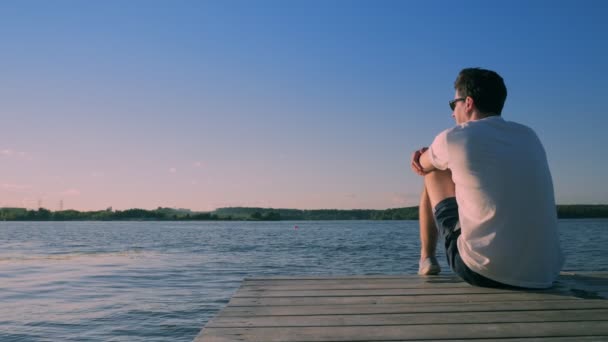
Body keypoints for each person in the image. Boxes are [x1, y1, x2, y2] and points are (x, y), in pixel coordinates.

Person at [410, 68, 563, 289]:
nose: (453, 113)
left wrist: (424, 154)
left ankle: (427, 258)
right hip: (544, 273)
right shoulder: (529, 136)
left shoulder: (454, 137)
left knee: (433, 171)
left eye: (454, 105)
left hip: (483, 270)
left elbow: (421, 165)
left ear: (468, 103)